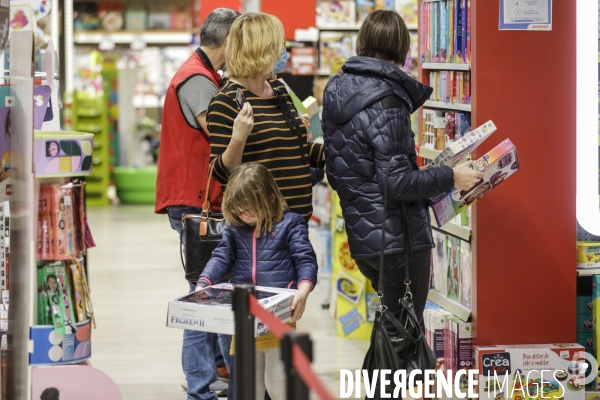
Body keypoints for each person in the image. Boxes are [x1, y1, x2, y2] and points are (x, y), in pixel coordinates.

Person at [321, 10, 483, 329]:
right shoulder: (388, 101)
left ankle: (383, 380)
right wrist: (452, 176)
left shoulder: (336, 91)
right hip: (397, 239)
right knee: (405, 339)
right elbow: (396, 182)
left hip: (365, 236)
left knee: (391, 330)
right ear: (401, 49)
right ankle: (397, 382)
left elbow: (350, 168)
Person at [153, 8, 240, 400]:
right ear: (227, 41)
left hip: (197, 199)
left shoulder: (203, 74)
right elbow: (219, 133)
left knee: (207, 296)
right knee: (206, 298)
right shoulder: (196, 80)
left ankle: (209, 383)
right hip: (195, 202)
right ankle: (203, 388)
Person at [196, 162, 318, 400]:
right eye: (238, 211)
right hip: (244, 320)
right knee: (245, 387)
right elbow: (221, 256)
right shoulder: (236, 227)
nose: (242, 216)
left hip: (278, 318)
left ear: (269, 198)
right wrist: (204, 282)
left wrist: (303, 290)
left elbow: (305, 260)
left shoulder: (290, 223)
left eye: (248, 210)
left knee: (279, 384)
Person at [206, 12, 325, 223]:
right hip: (262, 227)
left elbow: (294, 149)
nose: (283, 51)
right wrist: (238, 138)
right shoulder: (226, 101)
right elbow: (221, 174)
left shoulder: (279, 89)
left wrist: (339, 151)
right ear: (261, 50)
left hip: (298, 221)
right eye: (278, 44)